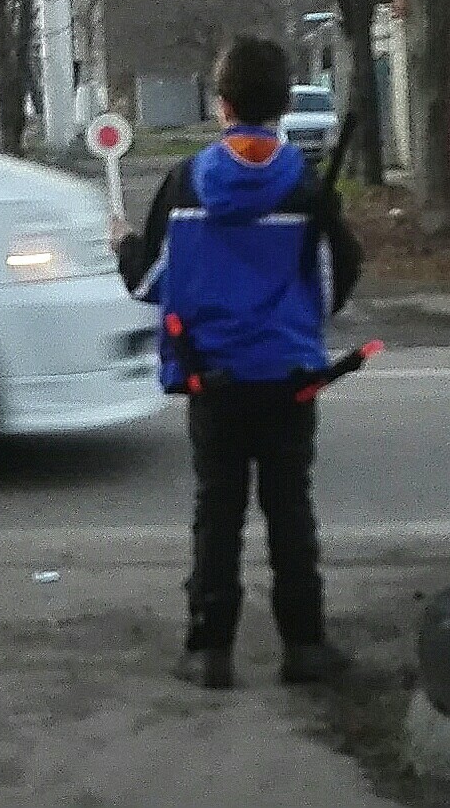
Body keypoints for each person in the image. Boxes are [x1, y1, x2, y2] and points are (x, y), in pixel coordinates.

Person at [114, 36, 362, 690]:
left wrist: (125, 243)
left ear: (221, 105)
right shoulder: (307, 187)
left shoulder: (186, 182)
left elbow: (148, 284)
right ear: (282, 105)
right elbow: (336, 282)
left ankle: (209, 650)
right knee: (290, 510)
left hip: (212, 381)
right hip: (288, 378)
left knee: (217, 512)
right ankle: (305, 647)